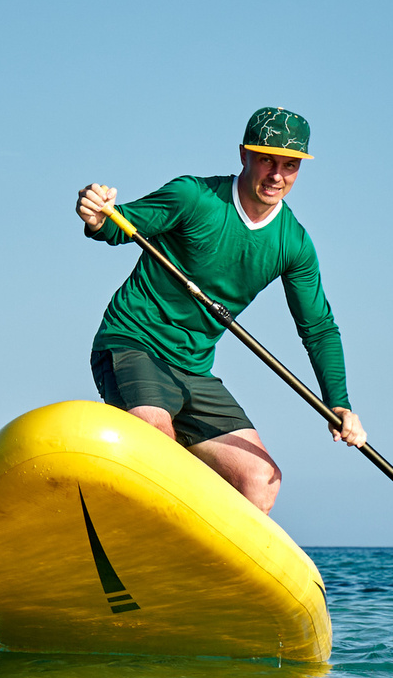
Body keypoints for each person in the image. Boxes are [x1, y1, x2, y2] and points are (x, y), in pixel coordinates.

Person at [75, 107, 366, 515]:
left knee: (262, 480)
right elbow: (117, 225)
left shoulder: (294, 244)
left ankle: (204, 570)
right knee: (157, 437)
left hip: (193, 369)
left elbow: (318, 328)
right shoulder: (194, 197)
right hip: (133, 344)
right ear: (244, 154)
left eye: (290, 165)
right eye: (267, 159)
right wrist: (94, 212)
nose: (277, 175)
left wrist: (338, 403)